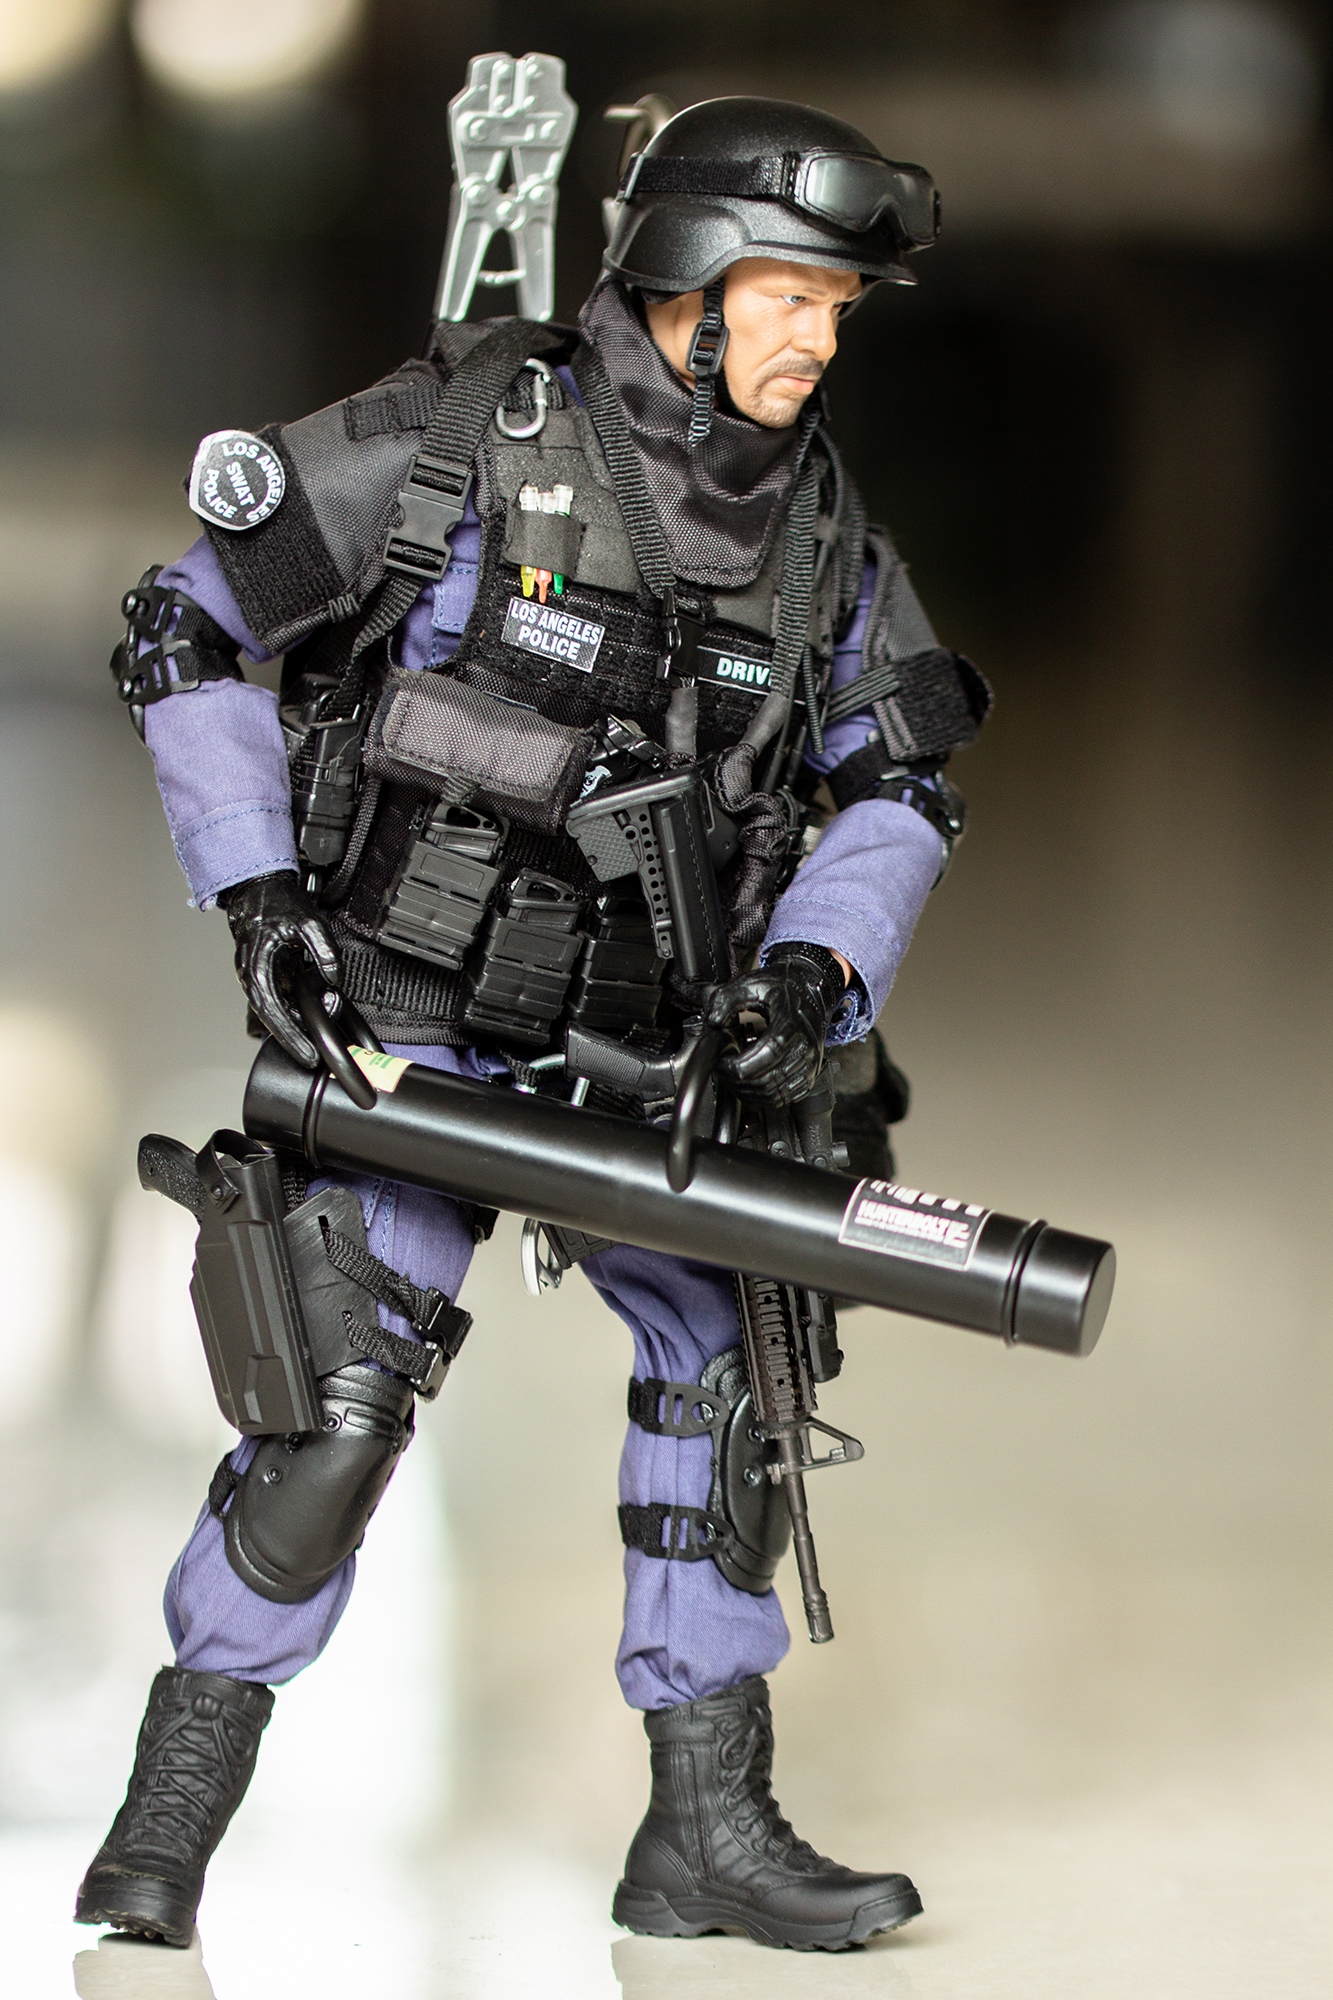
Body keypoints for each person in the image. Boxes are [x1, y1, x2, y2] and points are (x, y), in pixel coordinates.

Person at [75, 94, 989, 1954]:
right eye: (792, 294)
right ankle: (162, 1831)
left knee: (730, 1384)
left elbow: (900, 779)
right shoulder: (471, 437)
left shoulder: (818, 532)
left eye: (840, 306)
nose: (821, 338)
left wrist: (811, 975)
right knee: (334, 1413)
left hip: (652, 1053)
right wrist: (262, 899)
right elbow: (184, 629)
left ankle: (704, 1832)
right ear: (685, 284)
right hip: (405, 1023)